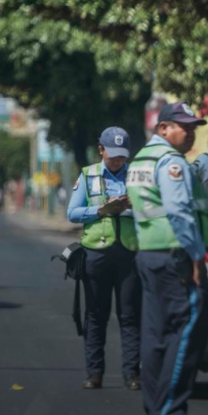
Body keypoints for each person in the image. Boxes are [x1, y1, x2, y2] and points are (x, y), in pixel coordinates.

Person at [127, 101, 208, 415]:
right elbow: (179, 212)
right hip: (176, 257)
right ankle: (170, 408)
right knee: (188, 330)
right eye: (185, 128)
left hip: (149, 255)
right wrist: (197, 258)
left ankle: (156, 405)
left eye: (194, 128)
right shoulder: (171, 162)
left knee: (155, 333)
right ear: (164, 128)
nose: (191, 134)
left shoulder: (140, 160)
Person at [67, 127, 142, 391]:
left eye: (121, 156)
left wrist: (133, 208)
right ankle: (94, 372)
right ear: (101, 149)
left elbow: (154, 210)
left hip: (130, 253)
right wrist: (100, 210)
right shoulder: (88, 176)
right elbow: (73, 213)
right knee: (96, 315)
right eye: (112, 156)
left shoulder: (137, 176)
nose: (117, 161)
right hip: (96, 254)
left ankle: (132, 374)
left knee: (131, 316)